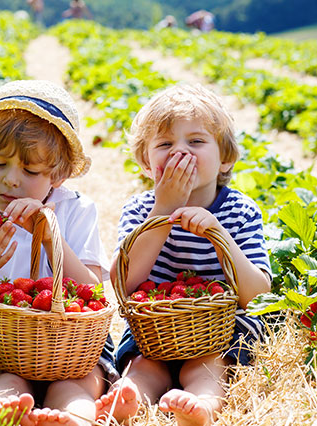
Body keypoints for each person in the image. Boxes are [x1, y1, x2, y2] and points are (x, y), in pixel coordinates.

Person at [0, 80, 116, 426]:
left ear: (58, 175)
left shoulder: (75, 212)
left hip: (73, 350)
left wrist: (51, 239)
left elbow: (94, 297)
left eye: (30, 170)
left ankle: (75, 417)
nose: (11, 181)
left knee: (77, 384)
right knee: (5, 381)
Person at [94, 84, 272, 426]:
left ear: (226, 157)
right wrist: (163, 209)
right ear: (147, 163)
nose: (180, 153)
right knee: (145, 365)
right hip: (155, 330)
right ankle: (131, 397)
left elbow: (259, 296)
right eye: (164, 145)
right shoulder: (141, 209)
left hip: (220, 329)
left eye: (196, 141)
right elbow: (121, 284)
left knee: (207, 365)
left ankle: (202, 403)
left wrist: (219, 234)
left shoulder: (239, 211)